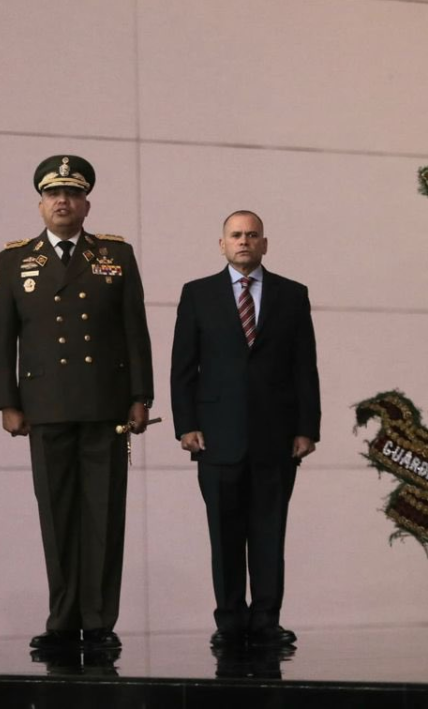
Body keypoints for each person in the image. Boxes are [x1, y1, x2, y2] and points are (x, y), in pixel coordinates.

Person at [0, 155, 154, 652]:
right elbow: (4, 338)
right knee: (57, 513)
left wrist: (140, 395)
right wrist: (7, 402)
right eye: (53, 194)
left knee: (104, 515)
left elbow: (135, 331)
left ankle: (99, 620)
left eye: (73, 194)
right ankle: (63, 618)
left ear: (86, 203)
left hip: (105, 403)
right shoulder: (14, 260)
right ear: (40, 204)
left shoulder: (115, 255)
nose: (63, 201)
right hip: (46, 406)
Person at [169, 210, 320, 649]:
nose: (244, 242)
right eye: (235, 235)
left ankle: (267, 619)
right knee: (225, 533)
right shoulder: (197, 294)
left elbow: (304, 368)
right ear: (221, 244)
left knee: (270, 533)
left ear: (265, 244)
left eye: (252, 235)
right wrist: (186, 425)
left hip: (277, 436)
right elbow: (183, 367)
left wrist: (306, 428)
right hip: (215, 436)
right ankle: (230, 620)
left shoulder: (293, 295)